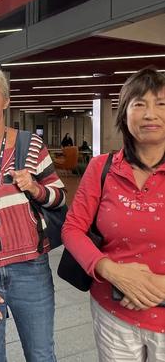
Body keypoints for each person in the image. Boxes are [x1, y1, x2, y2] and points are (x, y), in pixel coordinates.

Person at [0, 61, 66, 362]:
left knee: (41, 354)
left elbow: (59, 199)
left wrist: (35, 188)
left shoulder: (31, 144)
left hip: (30, 269)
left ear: (5, 101)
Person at [62, 68, 165, 361]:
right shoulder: (101, 168)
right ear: (124, 113)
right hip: (113, 313)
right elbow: (72, 229)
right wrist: (114, 272)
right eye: (139, 104)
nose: (150, 114)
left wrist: (157, 287)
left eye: (161, 103)